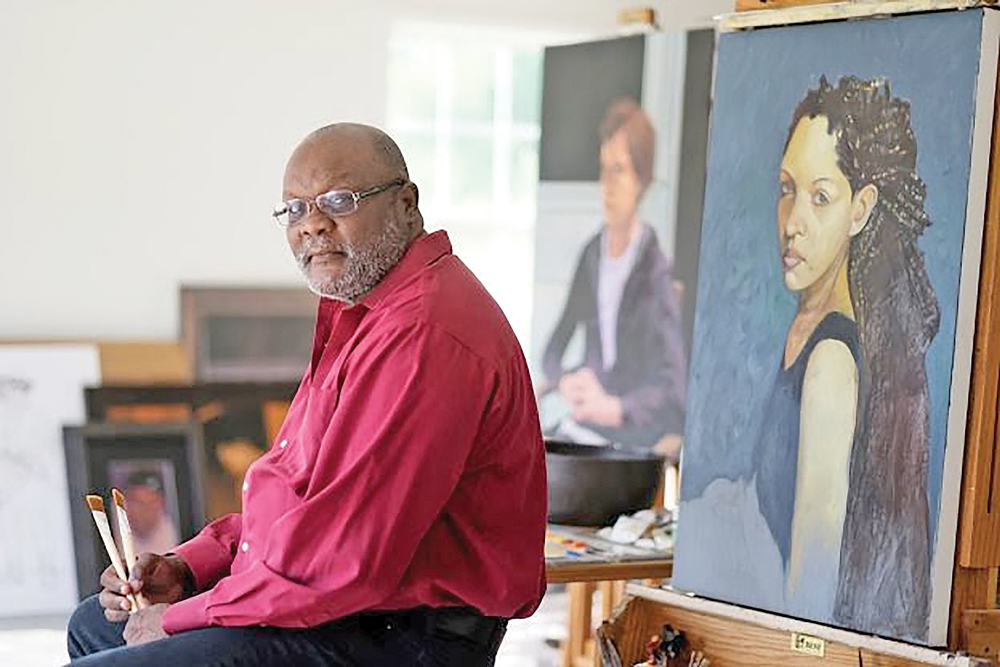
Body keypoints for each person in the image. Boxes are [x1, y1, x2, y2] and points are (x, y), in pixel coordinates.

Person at [65, 123, 548, 666]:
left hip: (400, 635)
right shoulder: (367, 312)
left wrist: (179, 616)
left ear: (406, 205)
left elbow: (343, 560)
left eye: (338, 201)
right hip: (346, 610)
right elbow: (297, 500)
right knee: (95, 625)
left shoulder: (424, 334)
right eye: (293, 209)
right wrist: (188, 567)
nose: (312, 224)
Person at [540, 98, 687, 453]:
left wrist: (617, 408)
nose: (606, 184)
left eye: (618, 170)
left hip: (628, 440)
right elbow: (554, 346)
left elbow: (673, 390)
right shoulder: (592, 254)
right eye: (603, 169)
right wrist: (568, 379)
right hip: (585, 426)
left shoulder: (654, 271)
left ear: (642, 180)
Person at [122, 471, 180, 556]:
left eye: (146, 504)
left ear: (160, 503)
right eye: (134, 503)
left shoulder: (171, 532)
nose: (138, 512)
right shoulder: (114, 528)